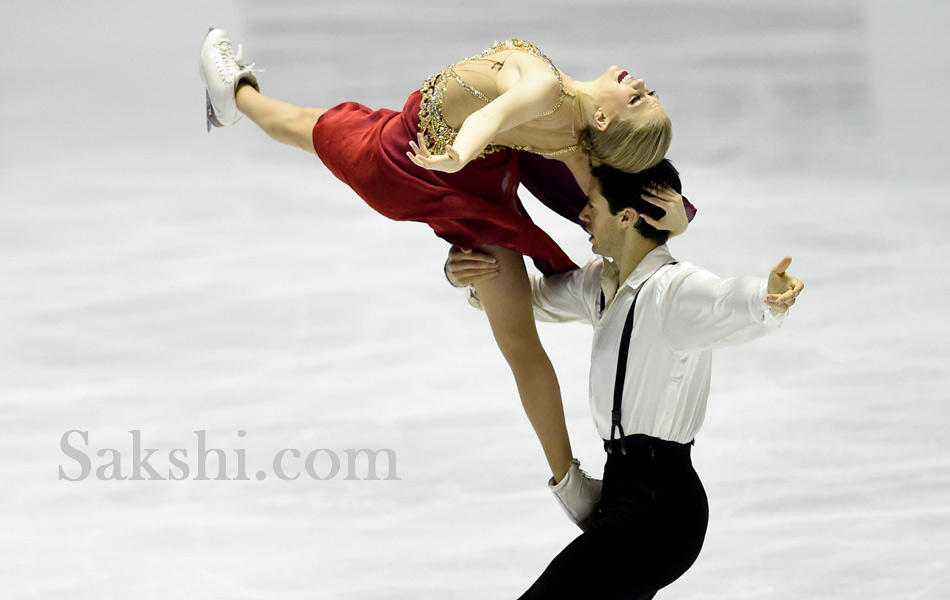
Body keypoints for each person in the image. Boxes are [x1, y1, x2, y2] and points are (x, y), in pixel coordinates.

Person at [199, 28, 689, 484]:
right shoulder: (578, 133)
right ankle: (237, 95)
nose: (641, 83)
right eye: (649, 93)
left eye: (639, 98)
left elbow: (493, 121)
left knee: (520, 343)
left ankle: (569, 483)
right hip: (455, 166)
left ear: (604, 119)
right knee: (306, 126)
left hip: (407, 167)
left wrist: (459, 153)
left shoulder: (550, 95)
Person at [445, 159, 803, 599]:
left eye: (592, 205)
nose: (582, 215)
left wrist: (770, 297)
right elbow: (530, 299)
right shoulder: (600, 283)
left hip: (659, 509)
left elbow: (729, 299)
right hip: (624, 496)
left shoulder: (673, 290)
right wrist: (466, 276)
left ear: (627, 216)